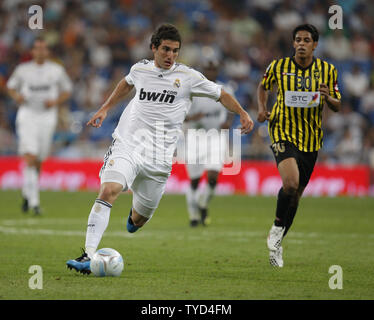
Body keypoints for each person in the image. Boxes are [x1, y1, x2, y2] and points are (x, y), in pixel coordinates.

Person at [66, 24, 254, 274]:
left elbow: (221, 94)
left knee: (138, 221)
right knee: (109, 190)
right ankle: (87, 255)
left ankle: (133, 218)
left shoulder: (189, 77)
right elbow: (126, 84)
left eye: (175, 51)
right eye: (165, 49)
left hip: (159, 159)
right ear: (154, 47)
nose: (170, 55)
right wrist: (104, 108)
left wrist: (242, 113)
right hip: (129, 145)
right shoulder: (140, 69)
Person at [257, 24, 341, 267]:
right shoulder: (278, 66)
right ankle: (275, 228)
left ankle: (277, 244)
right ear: (293, 43)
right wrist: (262, 108)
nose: (302, 43)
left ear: (315, 45)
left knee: (295, 197)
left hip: (311, 139)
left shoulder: (327, 71)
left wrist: (327, 97)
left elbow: (337, 104)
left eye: (307, 40)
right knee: (291, 183)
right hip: (281, 130)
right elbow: (263, 86)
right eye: (298, 39)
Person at [6, 38, 72, 215]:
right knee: (30, 155)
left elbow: (67, 90)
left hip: (47, 117)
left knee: (39, 159)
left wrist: (56, 101)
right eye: (37, 49)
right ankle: (35, 203)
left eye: (43, 49)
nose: (40, 52)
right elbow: (11, 87)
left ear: (47, 52)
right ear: (33, 51)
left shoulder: (56, 70)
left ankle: (27, 194)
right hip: (27, 114)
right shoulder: (23, 69)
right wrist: (16, 97)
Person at [184, 58, 234, 227]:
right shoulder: (194, 91)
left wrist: (228, 122)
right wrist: (192, 118)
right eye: (208, 68)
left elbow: (231, 109)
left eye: (213, 69)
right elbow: (180, 115)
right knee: (195, 181)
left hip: (216, 137)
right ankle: (193, 216)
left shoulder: (224, 89)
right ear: (203, 70)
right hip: (195, 138)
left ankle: (203, 203)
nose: (211, 72)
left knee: (213, 177)